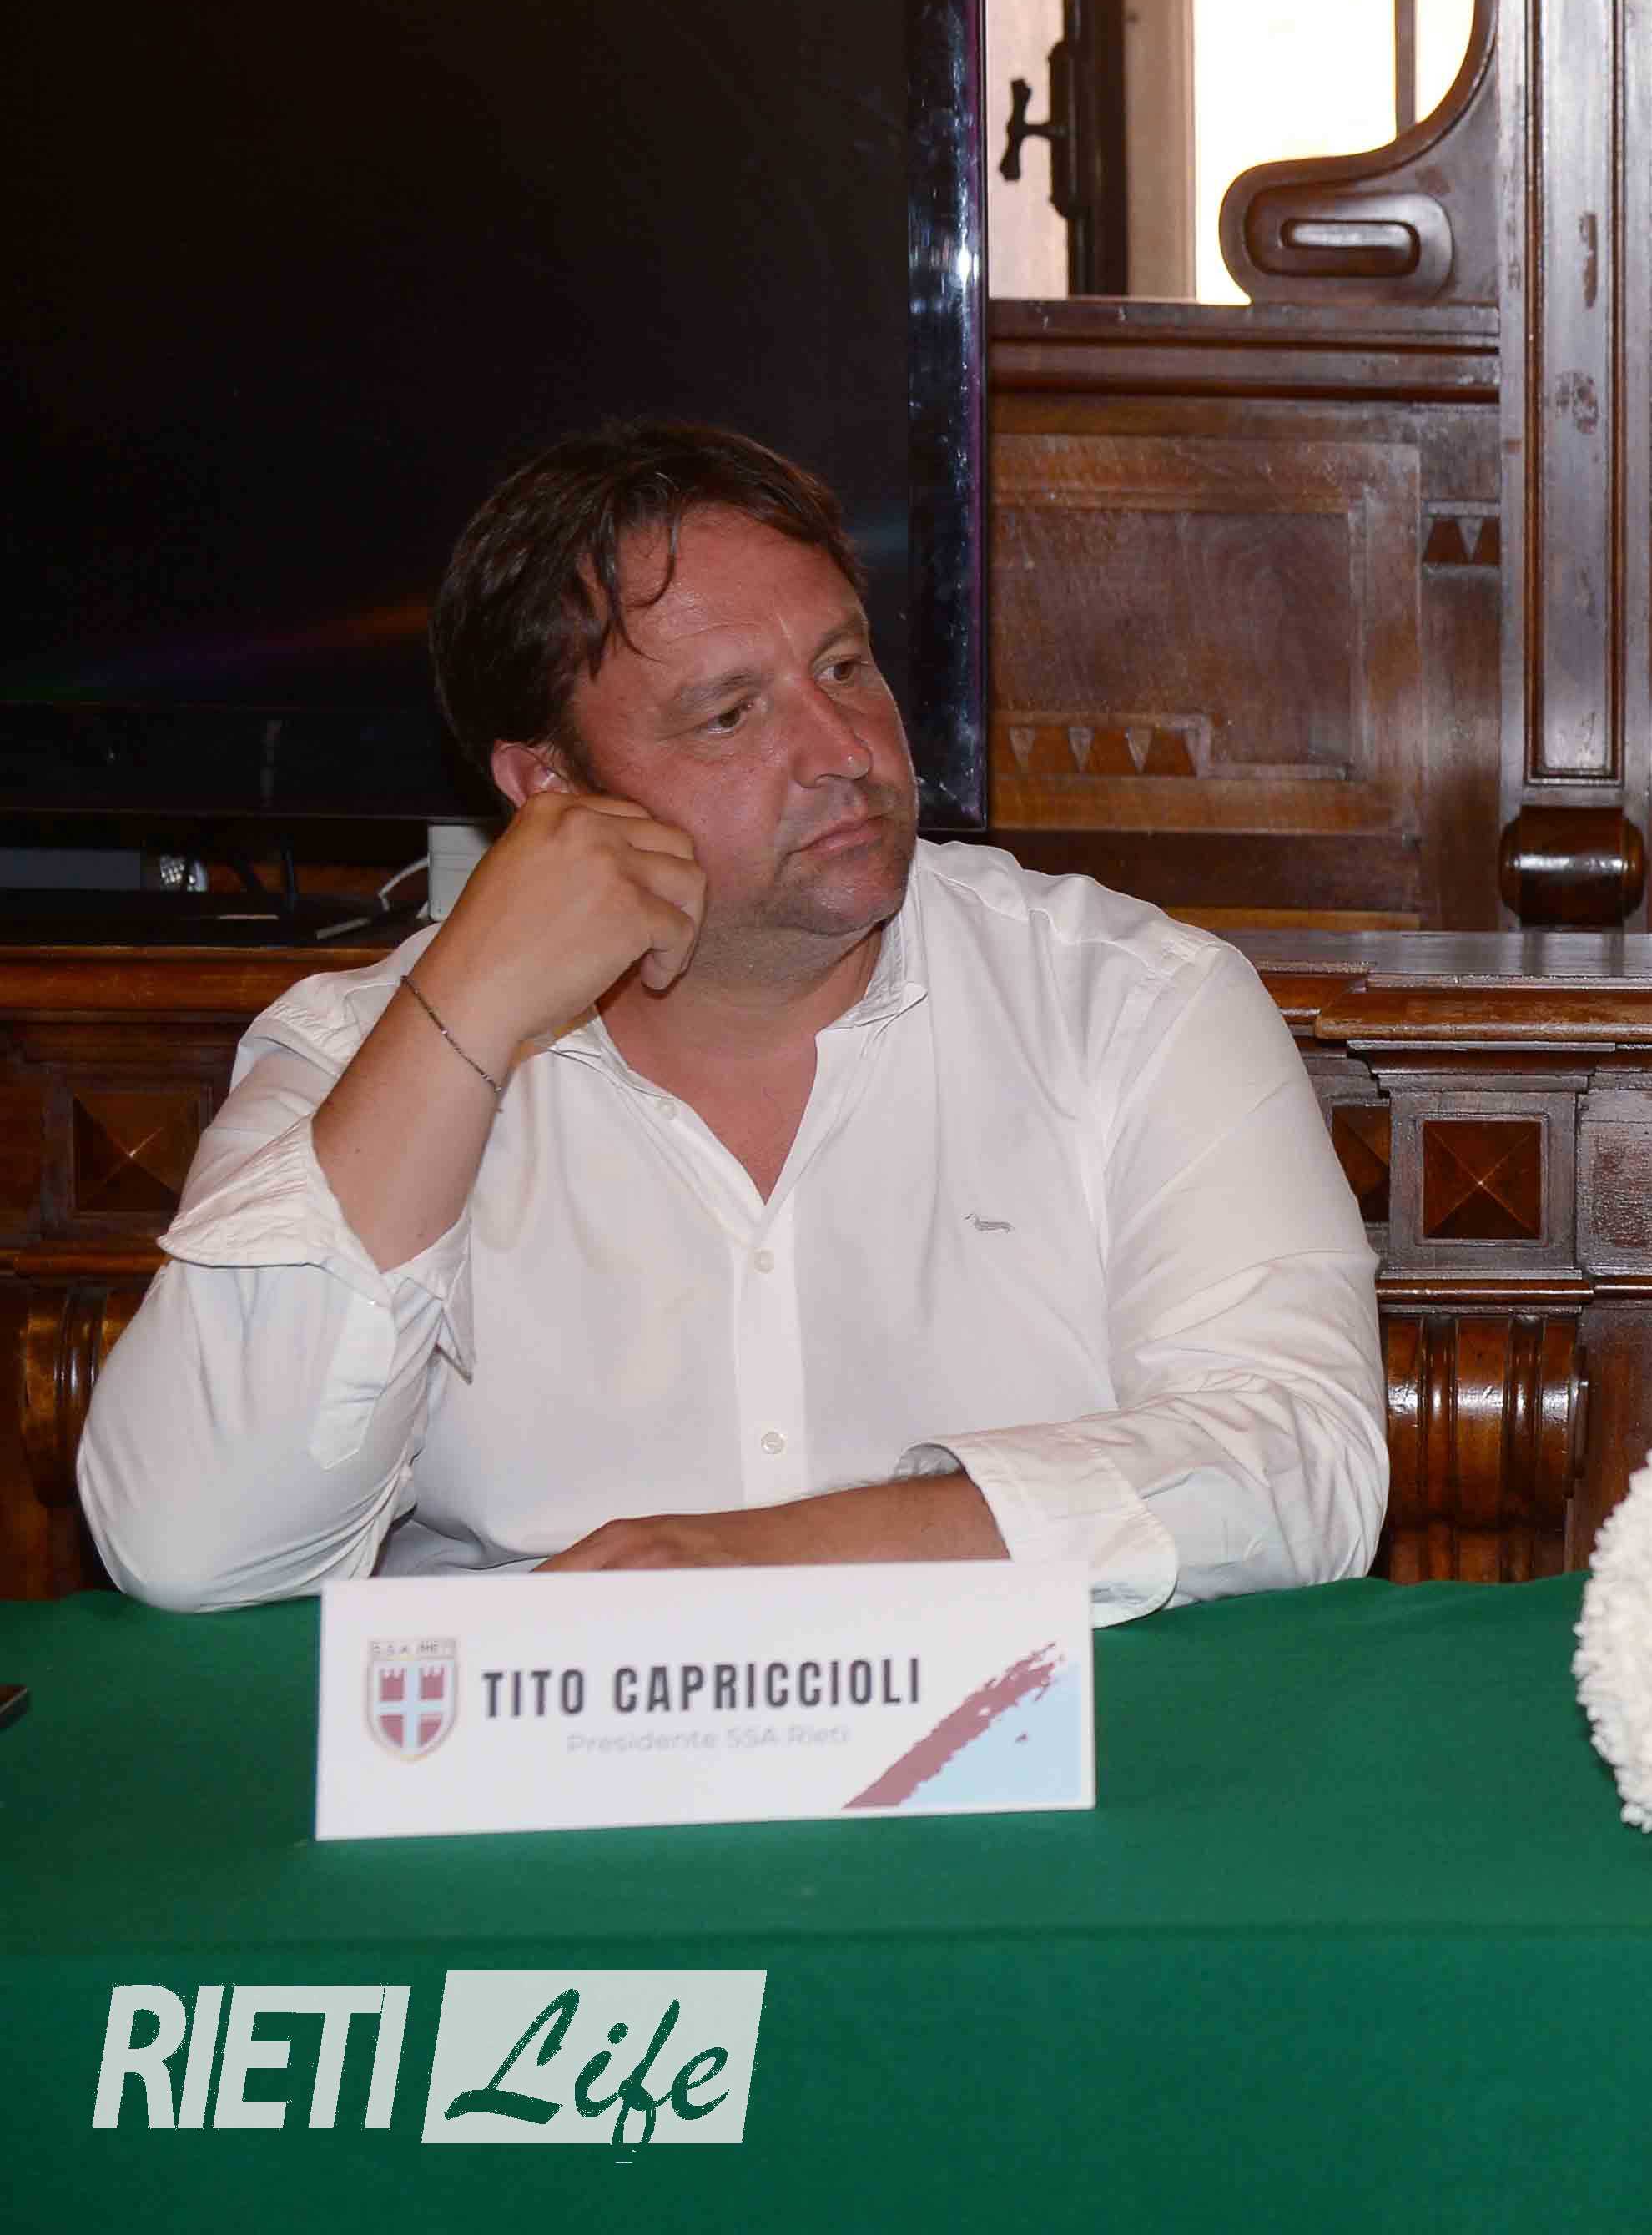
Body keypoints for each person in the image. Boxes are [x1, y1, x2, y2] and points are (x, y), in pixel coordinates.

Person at [79, 421, 1386, 1621]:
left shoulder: (1131, 1003)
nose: (844, 751)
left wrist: (758, 1561)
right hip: (535, 1771)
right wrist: (467, 1011)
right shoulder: (360, 1054)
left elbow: (1298, 1461)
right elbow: (192, 1543)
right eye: (730, 714)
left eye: (844, 667)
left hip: (1020, 1756)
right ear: (548, 787)